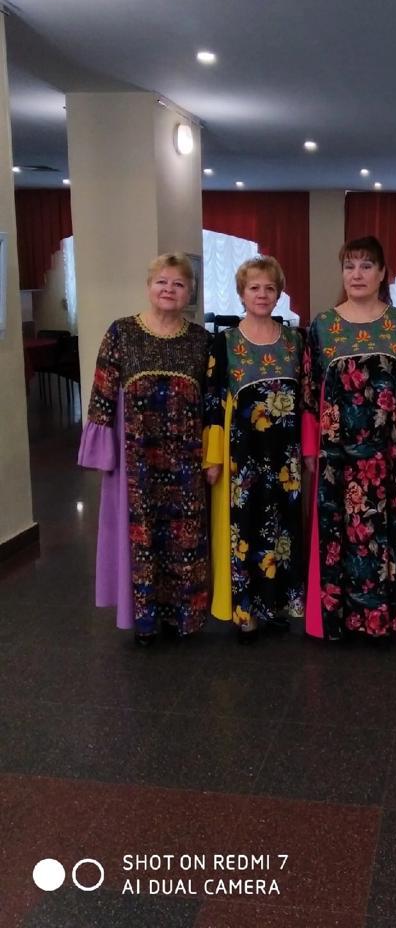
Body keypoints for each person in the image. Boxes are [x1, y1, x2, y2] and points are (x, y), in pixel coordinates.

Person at [78, 253, 209, 644]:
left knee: (184, 539)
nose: (169, 289)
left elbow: (213, 399)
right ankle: (145, 621)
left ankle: (183, 618)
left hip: (186, 462)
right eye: (162, 282)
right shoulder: (122, 332)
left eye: (179, 284)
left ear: (190, 292)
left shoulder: (201, 340)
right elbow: (103, 390)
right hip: (137, 461)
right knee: (142, 537)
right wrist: (103, 454)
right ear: (149, 286)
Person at [302, 236, 396, 641]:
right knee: (337, 534)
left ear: (382, 273)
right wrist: (310, 449)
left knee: (385, 534)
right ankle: (337, 618)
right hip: (335, 458)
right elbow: (309, 392)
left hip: (389, 459)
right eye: (349, 266)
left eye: (366, 265)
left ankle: (382, 619)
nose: (357, 274)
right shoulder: (322, 326)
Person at [204, 256, 304, 641]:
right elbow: (212, 402)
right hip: (242, 457)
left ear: (279, 294)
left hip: (285, 457)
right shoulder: (225, 342)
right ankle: (245, 611)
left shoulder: (295, 340)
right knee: (244, 533)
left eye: (269, 288)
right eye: (254, 288)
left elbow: (306, 398)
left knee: (282, 531)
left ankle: (275, 607)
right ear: (242, 294)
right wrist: (213, 457)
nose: (262, 294)